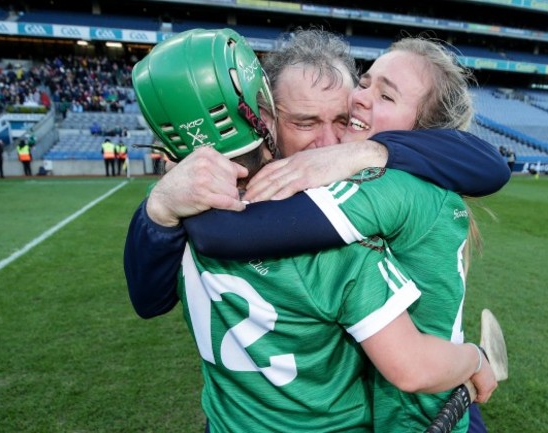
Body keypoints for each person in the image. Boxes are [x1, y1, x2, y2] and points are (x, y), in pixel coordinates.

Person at [130, 28, 496, 433]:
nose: (327, 144)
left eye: (343, 121)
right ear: (264, 118)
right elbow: (411, 365)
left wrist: (160, 204)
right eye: (305, 123)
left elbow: (150, 296)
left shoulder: (188, 197)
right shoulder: (343, 248)